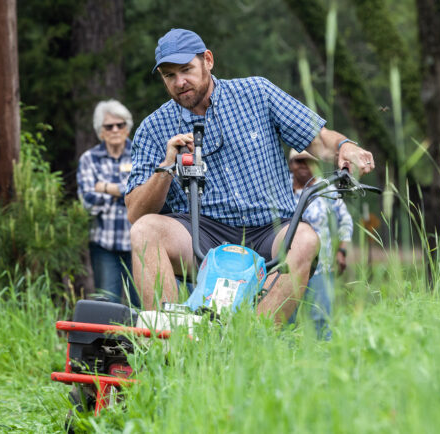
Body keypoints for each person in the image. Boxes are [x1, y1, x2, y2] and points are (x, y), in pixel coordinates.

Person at [125, 28, 375, 323]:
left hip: (270, 227)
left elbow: (318, 139)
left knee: (306, 238)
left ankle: (250, 337)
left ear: (208, 60)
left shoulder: (257, 93)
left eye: (186, 70)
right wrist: (167, 167)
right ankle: (168, 341)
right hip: (202, 231)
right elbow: (136, 213)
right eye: (169, 76)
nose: (180, 82)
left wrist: (345, 147)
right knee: (145, 231)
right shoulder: (154, 127)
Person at [77, 99, 140, 307]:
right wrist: (126, 191)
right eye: (109, 126)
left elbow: (142, 192)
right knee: (107, 305)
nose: (115, 130)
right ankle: (109, 342)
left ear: (128, 128)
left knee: (140, 305)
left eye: (120, 125)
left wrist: (104, 187)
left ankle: (140, 342)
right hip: (103, 245)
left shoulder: (141, 155)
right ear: (100, 131)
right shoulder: (89, 159)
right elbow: (88, 201)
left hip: (139, 244)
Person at [287, 149, 353, 340]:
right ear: (291, 164)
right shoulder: (281, 189)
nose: (303, 166)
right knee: (285, 320)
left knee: (320, 319)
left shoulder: (326, 190)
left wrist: (342, 251)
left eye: (308, 161)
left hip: (320, 268)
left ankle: (324, 360)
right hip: (286, 268)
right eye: (299, 161)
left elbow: (345, 221)